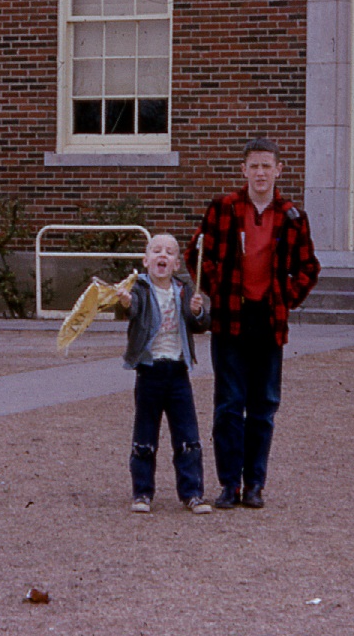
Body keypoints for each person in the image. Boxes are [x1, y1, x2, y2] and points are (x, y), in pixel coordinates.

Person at [194, 137, 320, 510]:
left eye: (267, 166)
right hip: (230, 319)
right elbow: (197, 254)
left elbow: (309, 267)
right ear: (243, 170)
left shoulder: (293, 216)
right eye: (254, 166)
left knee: (263, 407)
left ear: (279, 170)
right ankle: (229, 485)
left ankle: (254, 485)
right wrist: (219, 289)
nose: (260, 173)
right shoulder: (223, 208)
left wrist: (285, 297)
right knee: (229, 405)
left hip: (269, 320)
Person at [116, 233, 214, 515]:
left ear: (176, 264)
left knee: (187, 434)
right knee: (145, 434)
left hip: (178, 370)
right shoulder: (139, 289)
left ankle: (192, 493)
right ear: (146, 260)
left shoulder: (183, 289)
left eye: (169, 253)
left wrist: (197, 312)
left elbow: (200, 324)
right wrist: (125, 301)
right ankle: (142, 492)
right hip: (150, 370)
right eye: (157, 251)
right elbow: (132, 309)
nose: (163, 255)